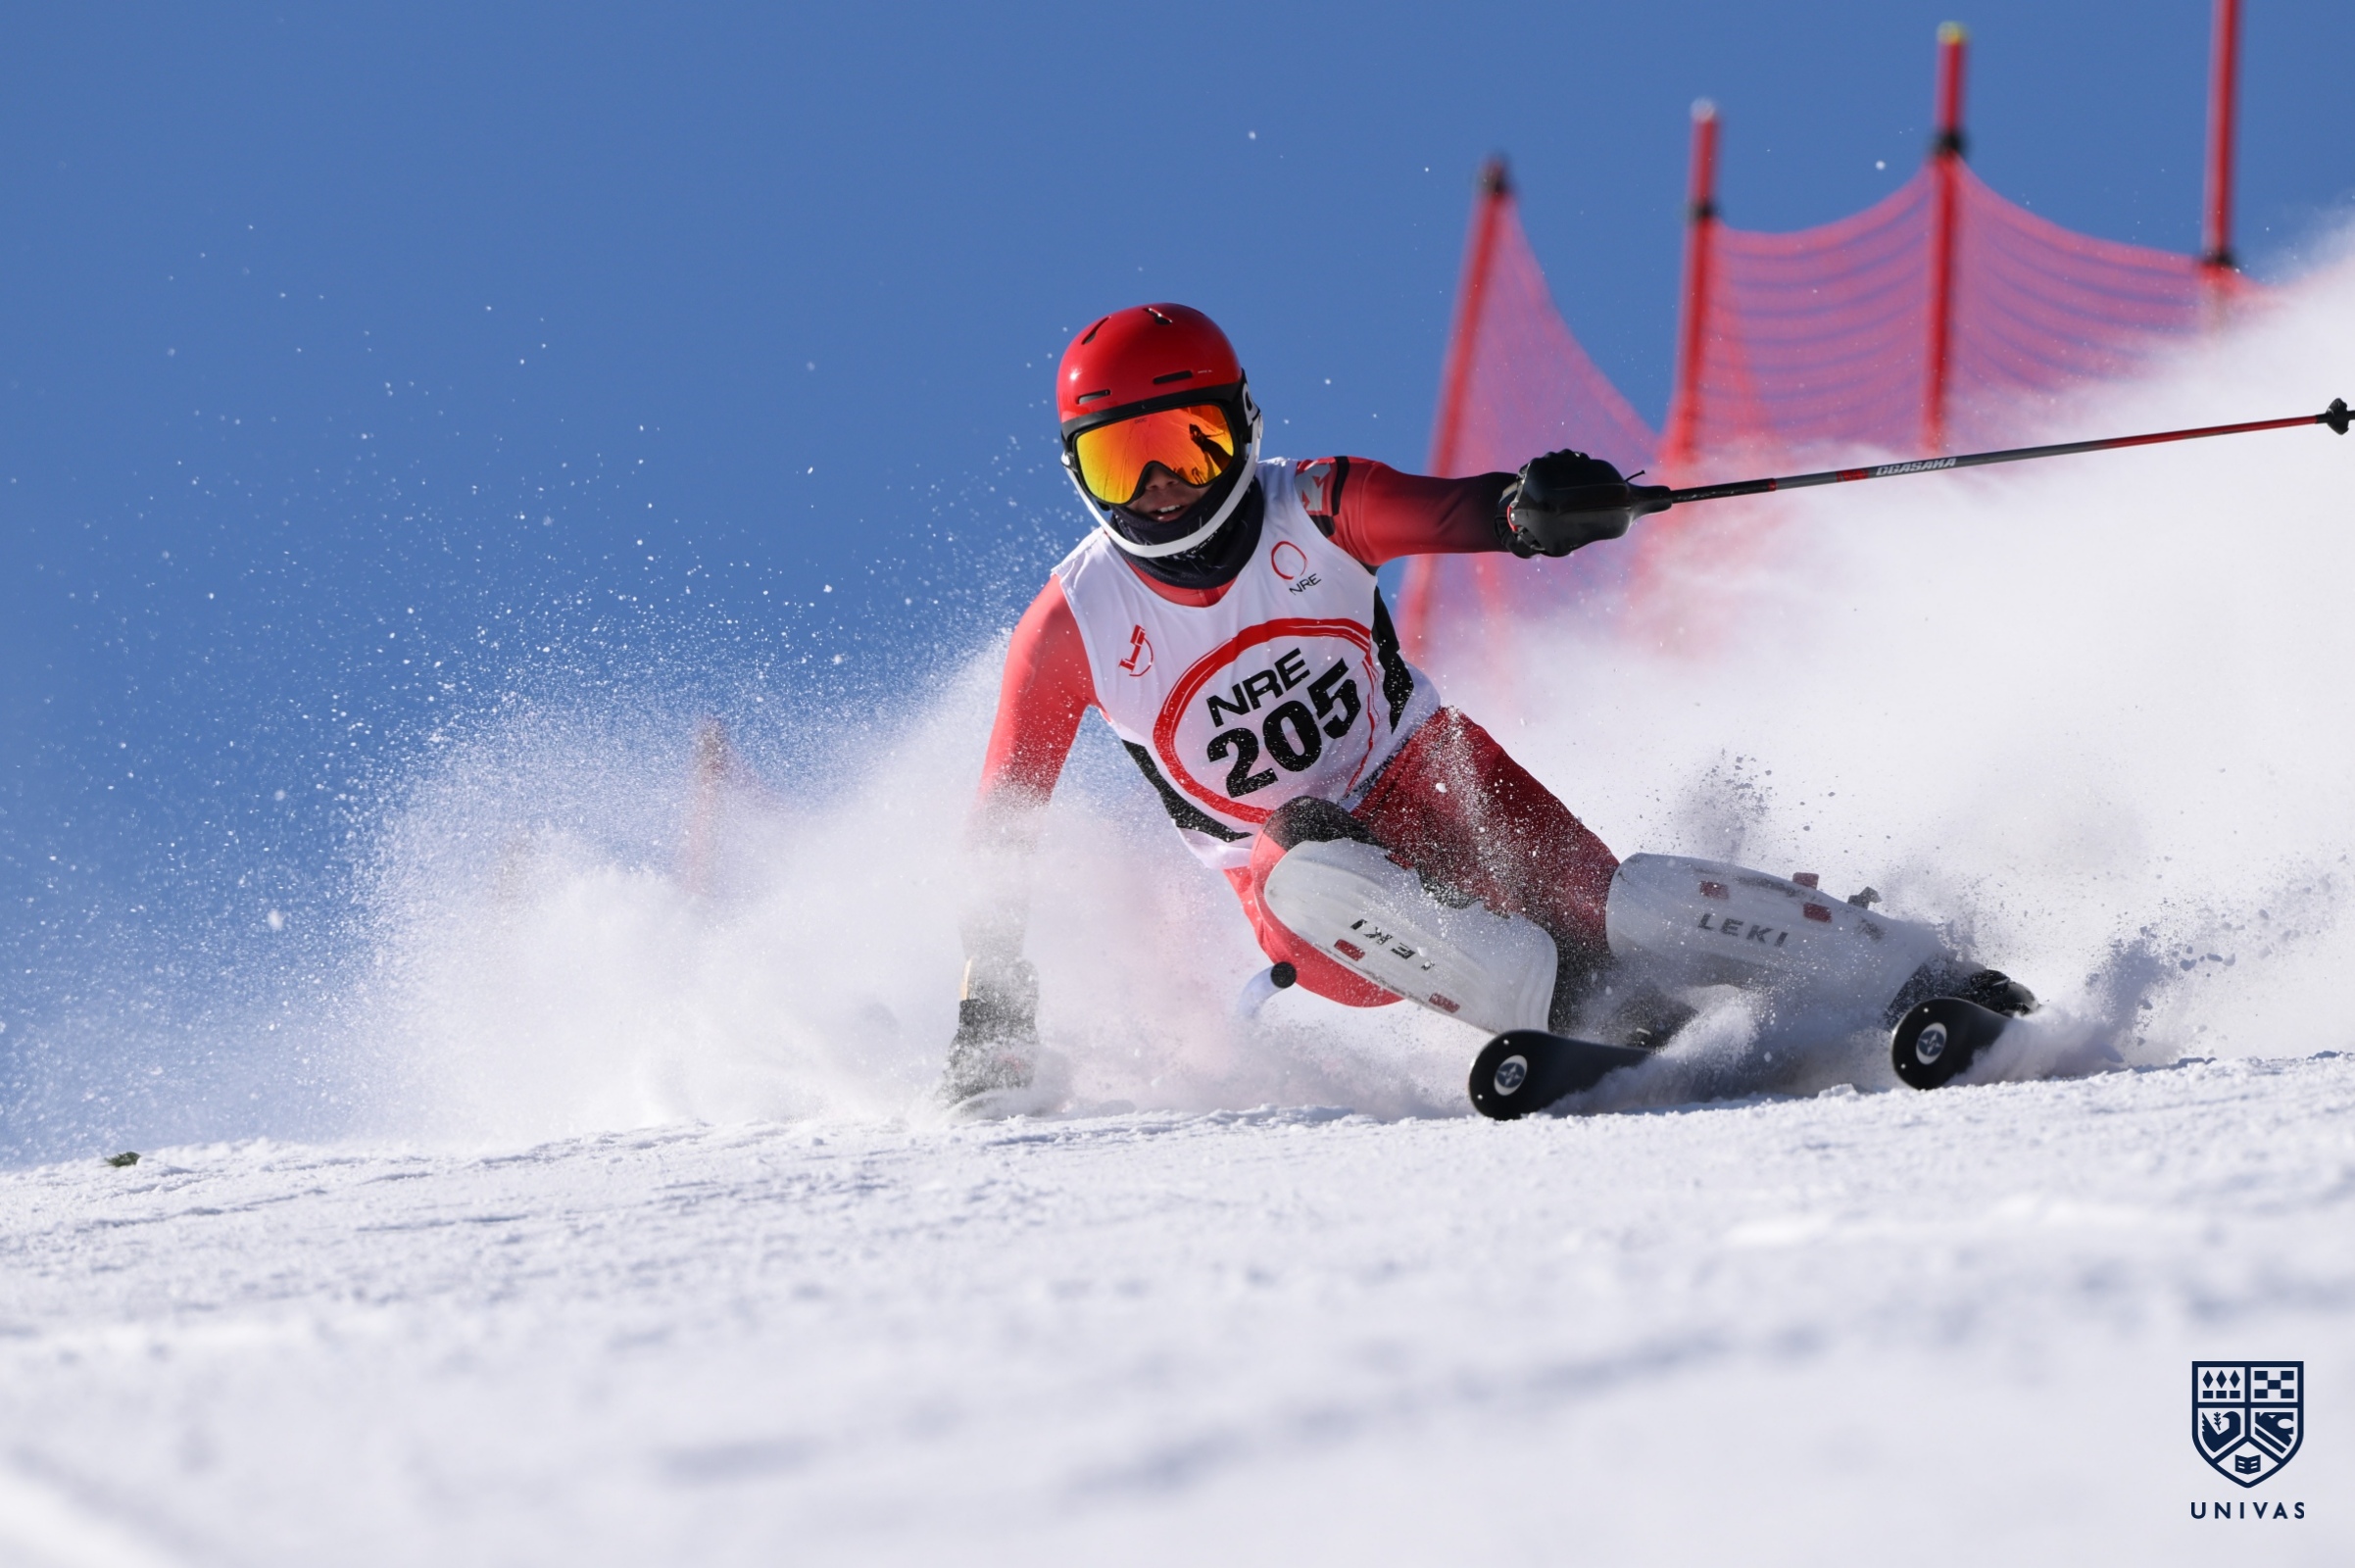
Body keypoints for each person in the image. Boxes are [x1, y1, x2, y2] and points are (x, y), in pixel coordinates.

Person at [941, 302, 1653, 1104]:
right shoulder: (1072, 624)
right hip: (1313, 908)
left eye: (1190, 444)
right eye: (1119, 462)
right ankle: (1563, 999)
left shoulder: (1315, 506)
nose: (1159, 484)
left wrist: (1528, 509)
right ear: (1077, 472)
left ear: (1242, 423)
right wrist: (989, 1002)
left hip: (1436, 789)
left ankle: (1659, 972)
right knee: (1302, 844)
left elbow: (1461, 511)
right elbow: (1005, 823)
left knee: (1606, 908)